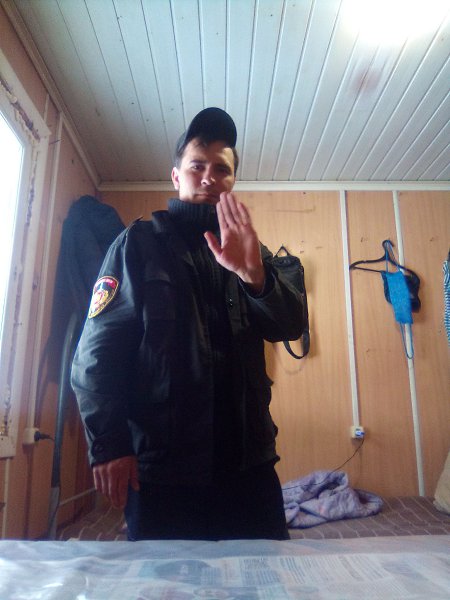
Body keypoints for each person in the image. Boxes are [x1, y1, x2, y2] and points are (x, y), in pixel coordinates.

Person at [71, 107, 305, 541]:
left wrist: (254, 275)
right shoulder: (136, 246)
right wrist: (110, 445)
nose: (209, 177)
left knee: (265, 576)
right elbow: (95, 357)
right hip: (164, 472)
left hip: (249, 467)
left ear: (232, 182)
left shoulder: (255, 252)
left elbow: (290, 326)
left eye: (222, 169)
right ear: (176, 176)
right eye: (197, 165)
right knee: (165, 578)